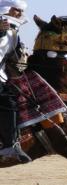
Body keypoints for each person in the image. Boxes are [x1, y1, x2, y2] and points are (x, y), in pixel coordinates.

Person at [0, 0, 30, 162]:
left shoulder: (12, 29)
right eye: (16, 10)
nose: (19, 13)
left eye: (20, 11)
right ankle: (9, 145)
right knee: (8, 104)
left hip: (2, 74)